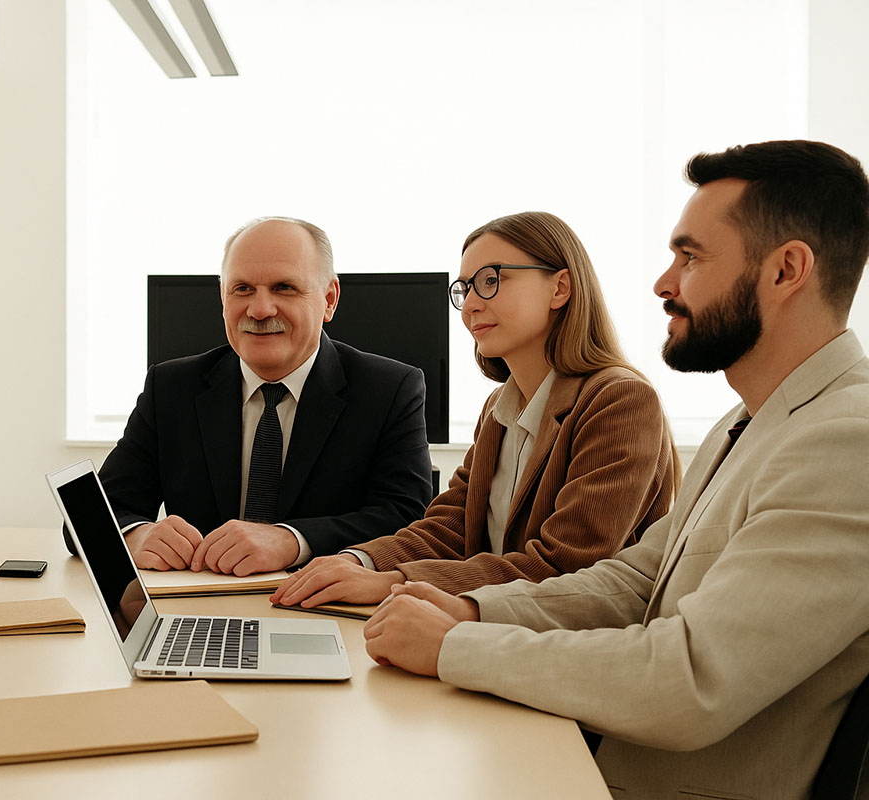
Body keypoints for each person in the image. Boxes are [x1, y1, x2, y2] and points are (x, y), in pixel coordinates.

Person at [363, 140, 869, 799]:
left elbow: (689, 678)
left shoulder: (846, 440)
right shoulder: (746, 424)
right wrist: (469, 611)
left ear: (785, 271)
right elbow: (634, 582)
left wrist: (454, 647)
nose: (664, 282)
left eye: (690, 257)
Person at [272, 211, 677, 610]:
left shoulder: (620, 400)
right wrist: (354, 561)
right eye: (465, 288)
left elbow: (564, 566)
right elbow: (451, 527)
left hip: (578, 650)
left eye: (490, 280)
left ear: (560, 288)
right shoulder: (500, 408)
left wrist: (392, 582)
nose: (470, 306)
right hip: (499, 633)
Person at [95, 216, 433, 576]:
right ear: (222, 298)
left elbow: (408, 521)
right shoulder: (171, 387)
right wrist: (137, 536)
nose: (259, 310)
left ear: (329, 299)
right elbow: (92, 512)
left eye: (284, 287)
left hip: (326, 607)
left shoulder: (390, 389)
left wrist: (291, 541)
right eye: (241, 289)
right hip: (201, 608)